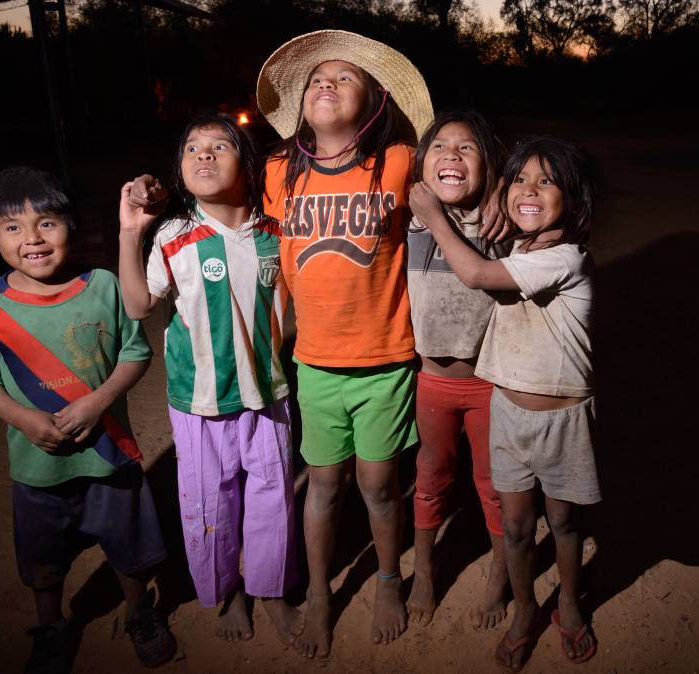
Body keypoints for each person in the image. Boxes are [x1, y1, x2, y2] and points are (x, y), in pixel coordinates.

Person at [255, 29, 433, 658]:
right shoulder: (278, 171)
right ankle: (324, 596)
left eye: (345, 77)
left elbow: (460, 186)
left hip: (385, 359)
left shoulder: (401, 161)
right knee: (324, 484)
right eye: (316, 79)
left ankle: (388, 579)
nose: (326, 83)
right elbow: (261, 249)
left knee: (380, 484)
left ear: (377, 100)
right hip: (314, 364)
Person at [0, 167, 176, 674]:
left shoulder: (101, 284)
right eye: (13, 227)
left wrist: (97, 402)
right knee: (44, 562)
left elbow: (135, 353)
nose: (32, 239)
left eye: (47, 223)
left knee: (129, 548)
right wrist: (25, 419)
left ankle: (140, 613)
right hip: (38, 468)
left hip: (111, 455)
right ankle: (51, 628)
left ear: (71, 227)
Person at [409, 137, 601, 671]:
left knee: (562, 524)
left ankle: (566, 604)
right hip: (509, 414)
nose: (529, 191)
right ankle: (524, 610)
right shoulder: (522, 247)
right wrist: (499, 193)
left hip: (562, 421)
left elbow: (474, 274)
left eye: (547, 181)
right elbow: (492, 203)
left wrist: (431, 213)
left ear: (575, 197)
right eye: (520, 180)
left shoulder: (565, 257)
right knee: (516, 528)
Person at [116, 114, 302, 644]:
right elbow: (136, 303)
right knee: (210, 505)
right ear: (179, 168)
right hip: (199, 404)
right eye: (192, 147)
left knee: (273, 499)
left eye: (220, 146)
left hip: (267, 395)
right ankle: (228, 592)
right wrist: (131, 233)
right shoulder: (175, 234)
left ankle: (269, 591)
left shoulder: (276, 231)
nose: (204, 155)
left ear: (247, 162)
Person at [402, 110, 512, 631]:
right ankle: (423, 569)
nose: (451, 155)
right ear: (421, 165)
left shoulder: (502, 220)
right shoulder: (407, 216)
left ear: (489, 165)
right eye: (440, 147)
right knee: (431, 474)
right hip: (433, 380)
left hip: (491, 383)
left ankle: (500, 575)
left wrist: (501, 189)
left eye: (468, 148)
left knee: (494, 483)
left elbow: (539, 185)